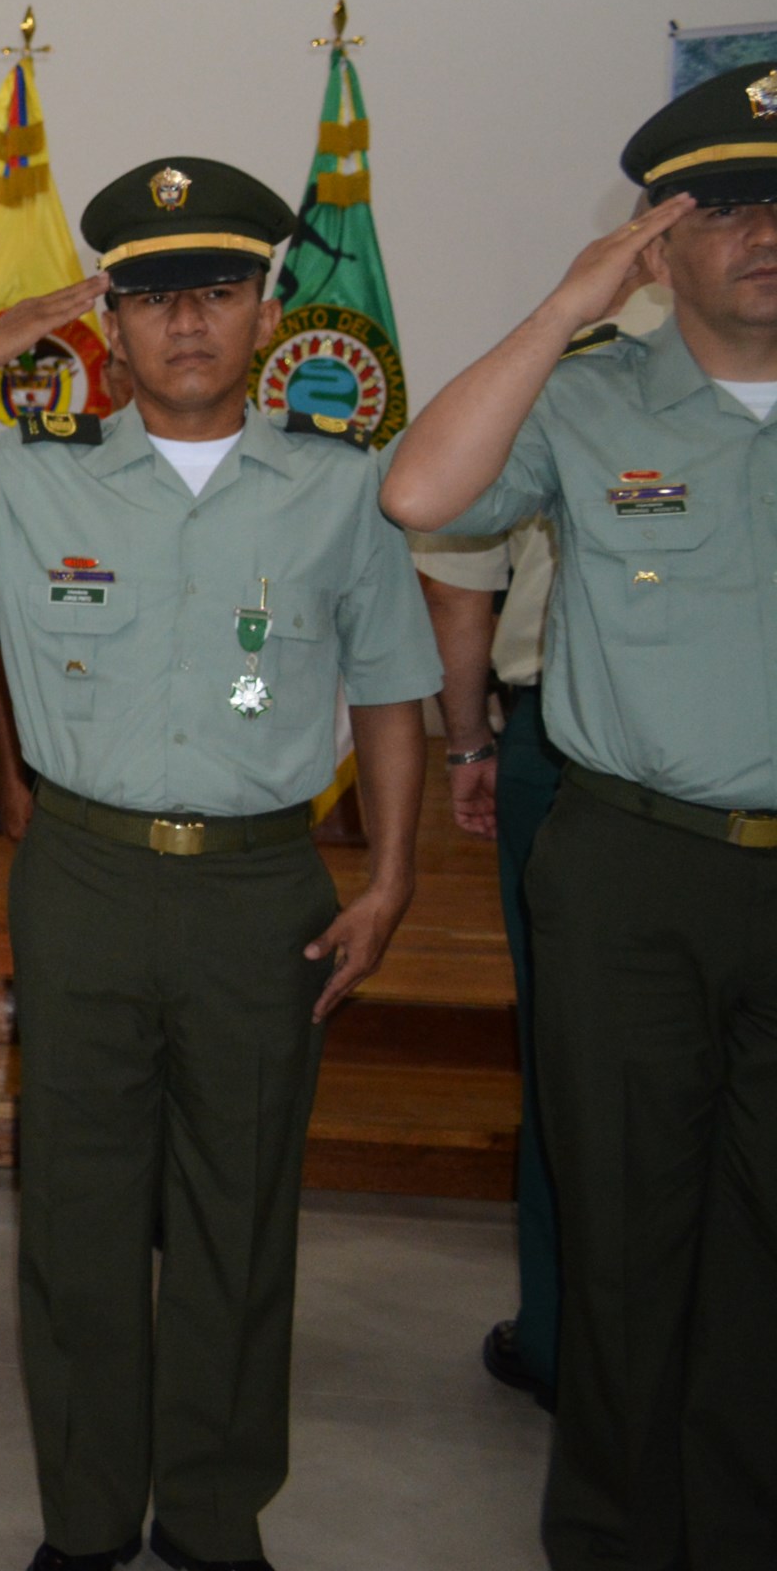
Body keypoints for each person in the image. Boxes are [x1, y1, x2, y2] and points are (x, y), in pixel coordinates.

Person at [0, 157, 439, 1571]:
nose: (187, 325)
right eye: (153, 298)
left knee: (241, 1216)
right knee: (82, 1219)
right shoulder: (19, 485)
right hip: (85, 882)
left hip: (258, 891)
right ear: (109, 321)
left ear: (267, 310)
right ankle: (89, 1517)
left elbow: (395, 690)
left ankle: (216, 1516)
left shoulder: (341, 494)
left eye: (217, 291)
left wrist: (393, 877)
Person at [380, 63, 777, 1571]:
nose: (764, 230)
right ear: (658, 242)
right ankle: (614, 1538)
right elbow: (422, 494)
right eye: (725, 202)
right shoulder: (592, 398)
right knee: (622, 1231)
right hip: (631, 868)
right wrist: (562, 312)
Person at [405, 283, 665, 1415]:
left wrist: (468, 743)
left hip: (568, 741)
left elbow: (460, 589)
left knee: (575, 1054)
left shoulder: (567, 366)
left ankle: (566, 1334)